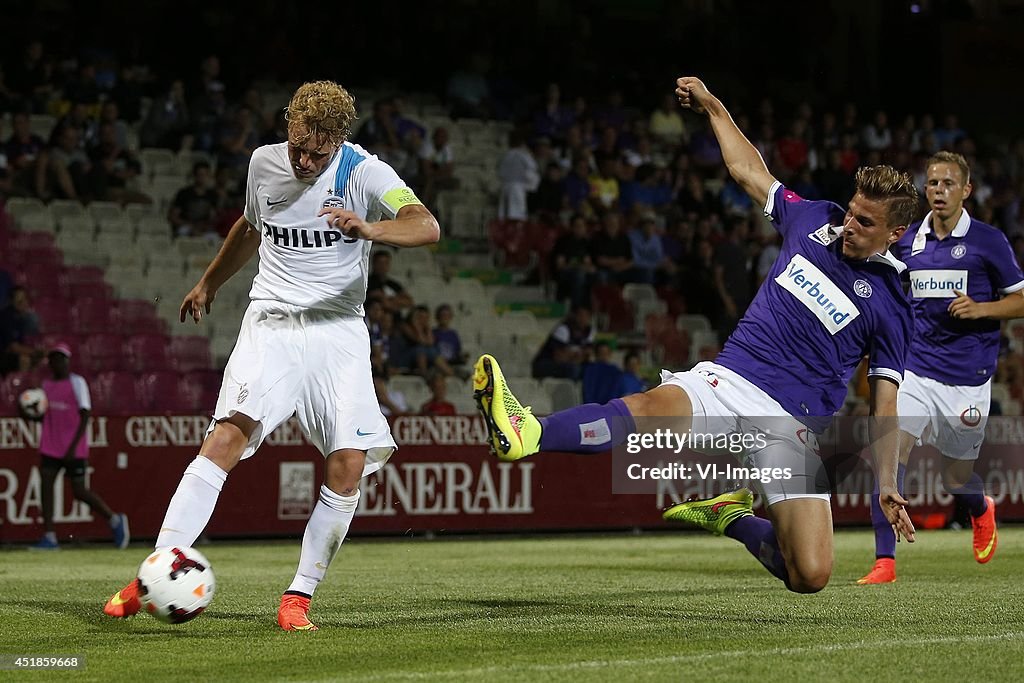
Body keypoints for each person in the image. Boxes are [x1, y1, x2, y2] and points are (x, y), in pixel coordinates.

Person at [473, 76, 917, 594]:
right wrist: (713, 108)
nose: (851, 225)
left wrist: (889, 483)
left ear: (895, 233)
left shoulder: (891, 304)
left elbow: (885, 405)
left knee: (810, 575)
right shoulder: (817, 220)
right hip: (727, 381)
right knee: (645, 409)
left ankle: (732, 516)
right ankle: (528, 431)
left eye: (866, 222)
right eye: (853, 211)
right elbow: (749, 169)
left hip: (791, 425)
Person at [102, 80, 440, 630]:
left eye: (319, 152)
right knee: (225, 436)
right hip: (272, 325)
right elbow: (249, 227)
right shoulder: (264, 163)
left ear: (339, 142)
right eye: (300, 146)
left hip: (338, 334)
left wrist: (369, 227)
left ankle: (298, 597)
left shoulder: (365, 173)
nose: (306, 160)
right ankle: (152, 576)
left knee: (349, 463)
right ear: (289, 127)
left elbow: (426, 225)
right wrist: (209, 283)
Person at [857, 151, 1024, 584]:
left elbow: (1021, 299)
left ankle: (979, 506)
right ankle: (885, 561)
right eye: (932, 183)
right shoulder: (909, 241)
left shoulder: (989, 242)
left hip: (967, 379)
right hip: (916, 368)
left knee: (956, 475)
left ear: (966, 190)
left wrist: (983, 309)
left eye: (948, 183)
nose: (938, 190)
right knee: (892, 452)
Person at [24, 344, 129, 550]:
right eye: (54, 359)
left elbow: (85, 414)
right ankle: (50, 537)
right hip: (51, 445)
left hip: (73, 447)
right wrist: (27, 413)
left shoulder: (77, 383)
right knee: (46, 488)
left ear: (67, 361)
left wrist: (73, 446)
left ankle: (114, 519)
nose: (57, 362)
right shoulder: (45, 386)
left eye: (61, 358)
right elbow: (43, 416)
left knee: (79, 491)